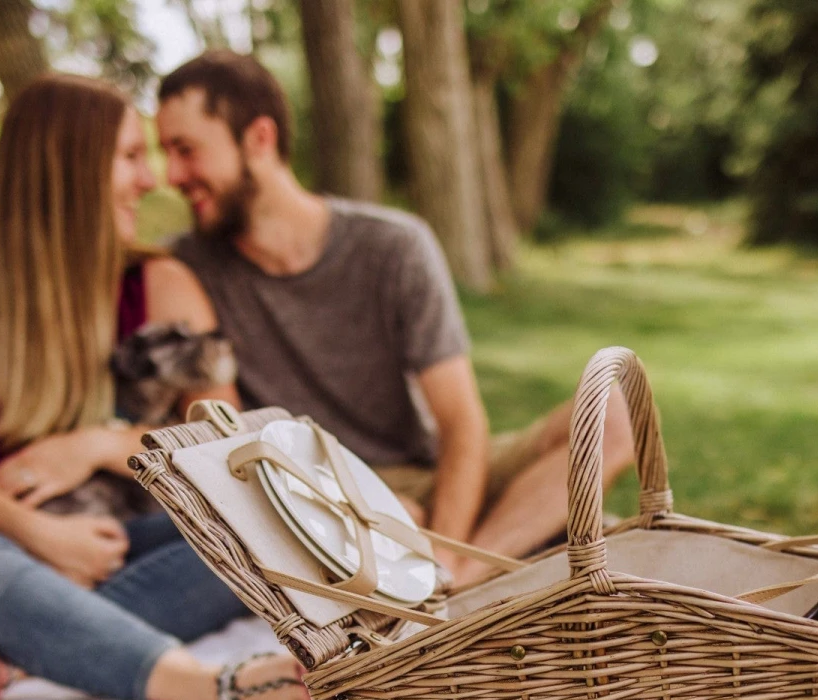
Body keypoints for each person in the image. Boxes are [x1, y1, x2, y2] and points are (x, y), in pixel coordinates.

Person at [0, 74, 310, 700]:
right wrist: (37, 534)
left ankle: (14, 657)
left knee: (262, 519)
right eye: (130, 157)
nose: (151, 180)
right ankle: (203, 682)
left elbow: (229, 454)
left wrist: (99, 445)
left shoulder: (157, 283)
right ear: (66, 165)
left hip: (96, 548)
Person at [155, 52, 634, 587]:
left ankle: (460, 575)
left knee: (614, 414)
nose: (172, 175)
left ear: (259, 139)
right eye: (164, 153)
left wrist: (444, 548)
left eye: (186, 150)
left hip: (426, 480)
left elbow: (460, 423)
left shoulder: (393, 247)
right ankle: (466, 560)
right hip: (319, 503)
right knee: (409, 520)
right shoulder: (186, 270)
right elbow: (223, 447)